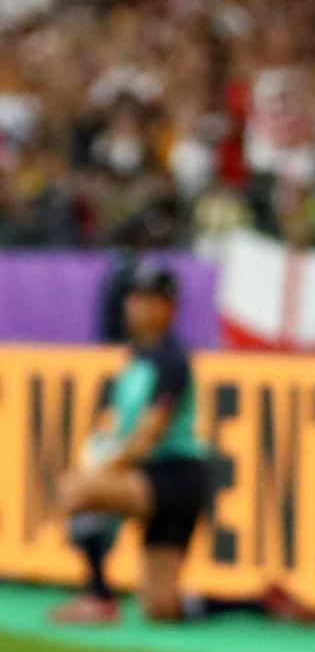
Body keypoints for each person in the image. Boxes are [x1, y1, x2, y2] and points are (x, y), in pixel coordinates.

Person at [50, 267, 211, 625]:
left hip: (175, 478)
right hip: (154, 477)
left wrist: (106, 468)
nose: (137, 307)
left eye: (148, 300)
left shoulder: (171, 359)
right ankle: (259, 602)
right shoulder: (137, 358)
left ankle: (99, 596)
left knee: (77, 488)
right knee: (161, 605)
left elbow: (148, 435)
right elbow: (117, 426)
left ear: (169, 308)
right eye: (134, 298)